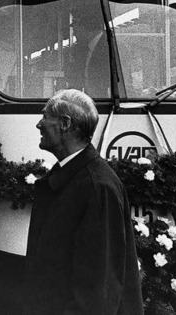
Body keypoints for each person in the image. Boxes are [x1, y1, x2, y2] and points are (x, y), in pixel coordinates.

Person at [24, 89, 143, 314]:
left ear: (65, 124)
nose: (39, 124)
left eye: (45, 117)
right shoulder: (83, 178)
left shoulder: (97, 188)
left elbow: (97, 291)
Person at [68, 11, 110, 98]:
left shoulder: (109, 47)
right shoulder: (82, 50)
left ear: (86, 28)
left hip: (105, 102)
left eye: (76, 30)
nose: (74, 34)